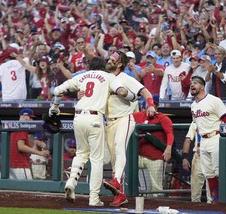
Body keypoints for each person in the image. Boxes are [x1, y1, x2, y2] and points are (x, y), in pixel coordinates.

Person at [49, 56, 138, 207]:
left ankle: (71, 182)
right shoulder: (108, 76)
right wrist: (133, 96)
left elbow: (57, 90)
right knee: (96, 160)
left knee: (81, 153)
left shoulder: (82, 76)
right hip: (95, 119)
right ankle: (94, 198)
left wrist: (55, 108)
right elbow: (122, 91)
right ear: (103, 66)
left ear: (89, 66)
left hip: (78, 117)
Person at [102, 51, 156, 207]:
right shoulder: (106, 78)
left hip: (125, 118)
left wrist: (151, 104)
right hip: (110, 121)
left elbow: (144, 91)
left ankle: (117, 181)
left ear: (120, 64)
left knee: (120, 148)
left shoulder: (125, 78)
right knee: (115, 161)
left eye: (113, 59)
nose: (109, 61)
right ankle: (121, 195)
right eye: (109, 58)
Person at [189, 75, 226, 204]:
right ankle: (215, 201)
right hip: (204, 141)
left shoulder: (214, 100)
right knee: (209, 174)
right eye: (191, 83)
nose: (192, 85)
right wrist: (199, 144)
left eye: (195, 83)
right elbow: (198, 128)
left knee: (220, 172)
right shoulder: (193, 106)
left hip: (216, 137)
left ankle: (225, 201)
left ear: (202, 86)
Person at [132, 95, 174, 197]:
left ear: (157, 105)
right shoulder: (138, 115)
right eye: (149, 103)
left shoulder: (163, 118)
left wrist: (169, 148)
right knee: (143, 189)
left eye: (154, 103)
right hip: (140, 157)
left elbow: (170, 133)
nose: (151, 105)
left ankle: (158, 209)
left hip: (156, 158)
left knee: (156, 190)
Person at [9, 108, 50, 180]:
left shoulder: (14, 126)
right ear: (24, 116)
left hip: (12, 165)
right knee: (29, 188)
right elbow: (21, 147)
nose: (32, 120)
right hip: (20, 165)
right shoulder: (22, 127)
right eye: (30, 117)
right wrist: (39, 153)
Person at [182, 122, 212, 203]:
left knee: (211, 194)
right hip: (200, 157)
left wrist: (184, 158)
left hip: (211, 157)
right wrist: (184, 157)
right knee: (196, 193)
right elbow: (188, 140)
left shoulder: (216, 119)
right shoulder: (195, 122)